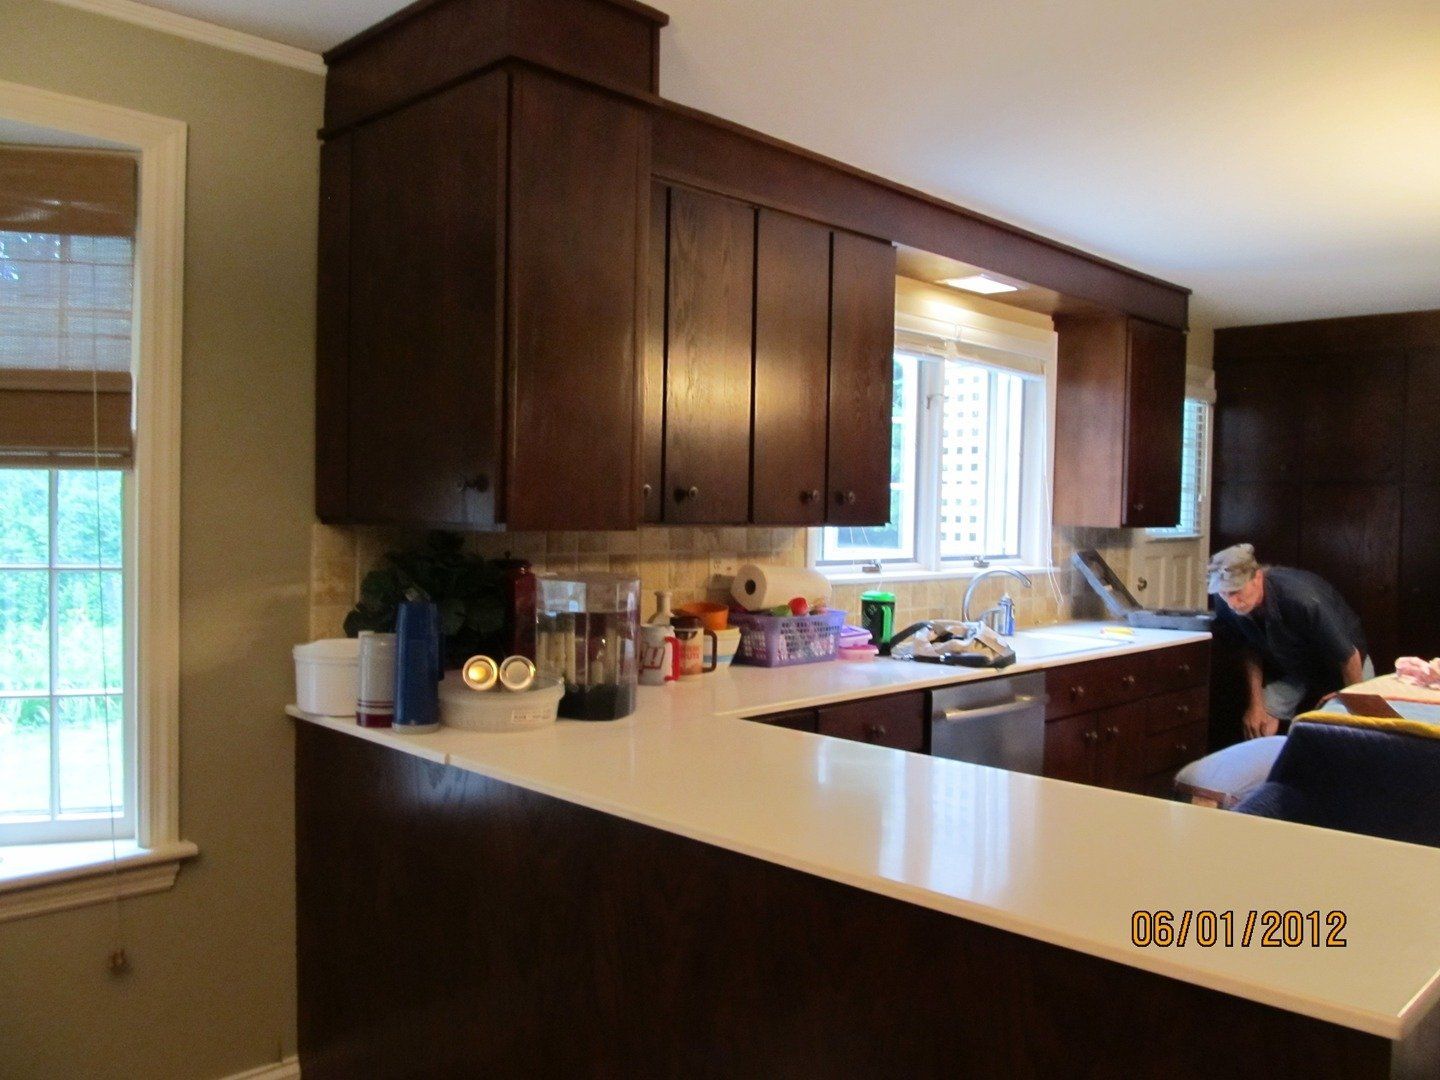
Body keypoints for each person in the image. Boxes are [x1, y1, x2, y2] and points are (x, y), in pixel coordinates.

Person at [1208, 543, 1372, 739]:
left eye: (1236, 592)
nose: (1232, 602)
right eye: (1224, 593)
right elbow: (1249, 649)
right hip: (1291, 667)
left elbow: (1348, 656)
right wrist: (1257, 704)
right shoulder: (1225, 602)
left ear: (1257, 577)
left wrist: (1350, 701)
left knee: (1356, 727)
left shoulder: (1302, 598)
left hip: (1341, 663)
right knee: (1258, 724)